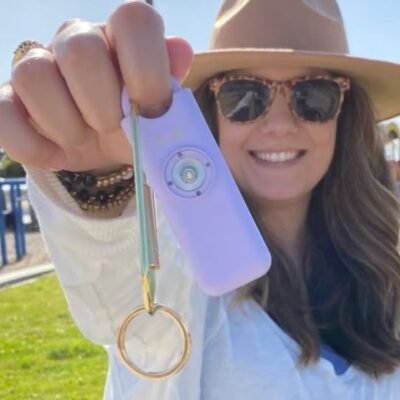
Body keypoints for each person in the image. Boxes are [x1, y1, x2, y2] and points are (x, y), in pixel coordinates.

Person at [1, 0, 400, 398]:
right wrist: (99, 175)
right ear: (211, 111)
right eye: (244, 95)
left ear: (344, 113)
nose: (279, 125)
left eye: (313, 96)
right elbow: (119, 296)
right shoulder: (178, 272)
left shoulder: (385, 265)